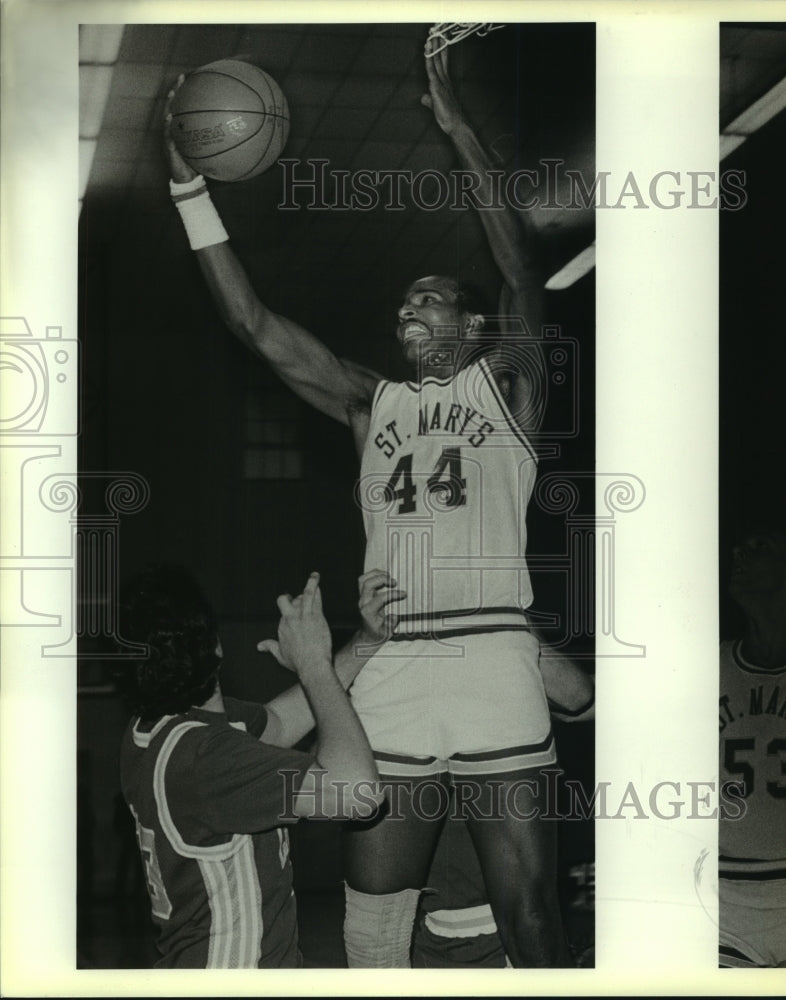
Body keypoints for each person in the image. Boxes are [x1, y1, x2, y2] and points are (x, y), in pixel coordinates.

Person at [163, 34, 576, 967]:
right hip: (392, 667)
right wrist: (189, 191)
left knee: (534, 920)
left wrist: (459, 127)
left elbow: (518, 271)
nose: (407, 310)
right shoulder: (369, 401)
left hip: (491, 659)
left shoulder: (506, 390)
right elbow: (255, 328)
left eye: (428, 299)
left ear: (473, 328)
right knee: (372, 936)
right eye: (402, 303)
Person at [119, 564, 397, 968]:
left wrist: (365, 643)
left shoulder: (161, 731)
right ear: (214, 645)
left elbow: (281, 721)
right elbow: (359, 793)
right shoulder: (208, 759)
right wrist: (313, 664)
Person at [413, 645, 595, 968]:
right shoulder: (416, 673)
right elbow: (578, 696)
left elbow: (578, 699)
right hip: (443, 925)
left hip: (492, 925)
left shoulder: (502, 678)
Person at [718, 525, 786, 969]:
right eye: (737, 549)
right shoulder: (706, 664)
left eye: (758, 544)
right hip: (727, 907)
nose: (739, 555)